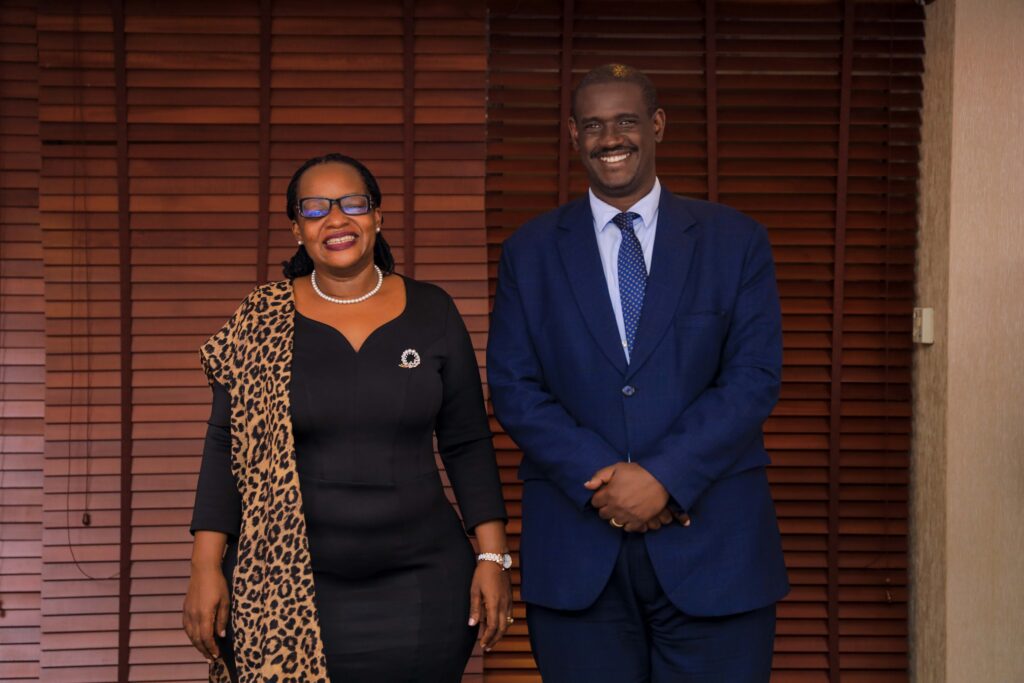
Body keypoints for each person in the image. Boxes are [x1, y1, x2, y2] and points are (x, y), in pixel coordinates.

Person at [487, 64, 789, 681]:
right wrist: (609, 483)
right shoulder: (529, 250)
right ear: (573, 135)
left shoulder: (735, 240)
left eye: (626, 121)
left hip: (715, 548)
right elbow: (515, 388)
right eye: (593, 125)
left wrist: (663, 477)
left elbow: (753, 376)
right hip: (578, 554)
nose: (610, 138)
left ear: (657, 125)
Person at [183, 153, 512, 683]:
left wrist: (493, 559)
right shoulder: (259, 318)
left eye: (352, 203)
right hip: (284, 585)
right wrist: (204, 567)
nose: (335, 219)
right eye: (314, 208)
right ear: (296, 229)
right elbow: (226, 445)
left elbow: (467, 441)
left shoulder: (433, 311)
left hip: (424, 584)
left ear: (377, 215)